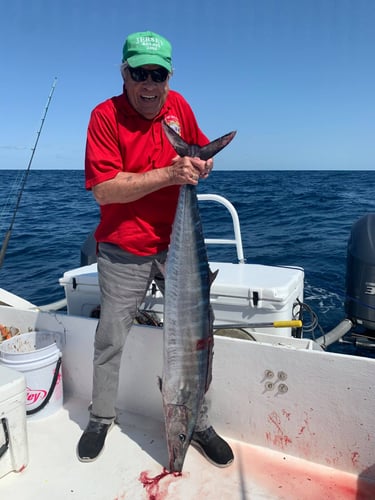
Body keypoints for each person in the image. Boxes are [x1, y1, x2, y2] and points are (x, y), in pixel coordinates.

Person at [77, 30, 234, 468]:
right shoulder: (104, 116)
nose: (149, 84)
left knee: (199, 339)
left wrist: (202, 161)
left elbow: (201, 159)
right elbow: (105, 191)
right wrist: (171, 173)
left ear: (169, 76)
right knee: (110, 337)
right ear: (124, 73)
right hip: (124, 248)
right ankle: (101, 418)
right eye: (140, 73)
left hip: (176, 247)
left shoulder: (178, 107)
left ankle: (198, 424)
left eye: (158, 74)